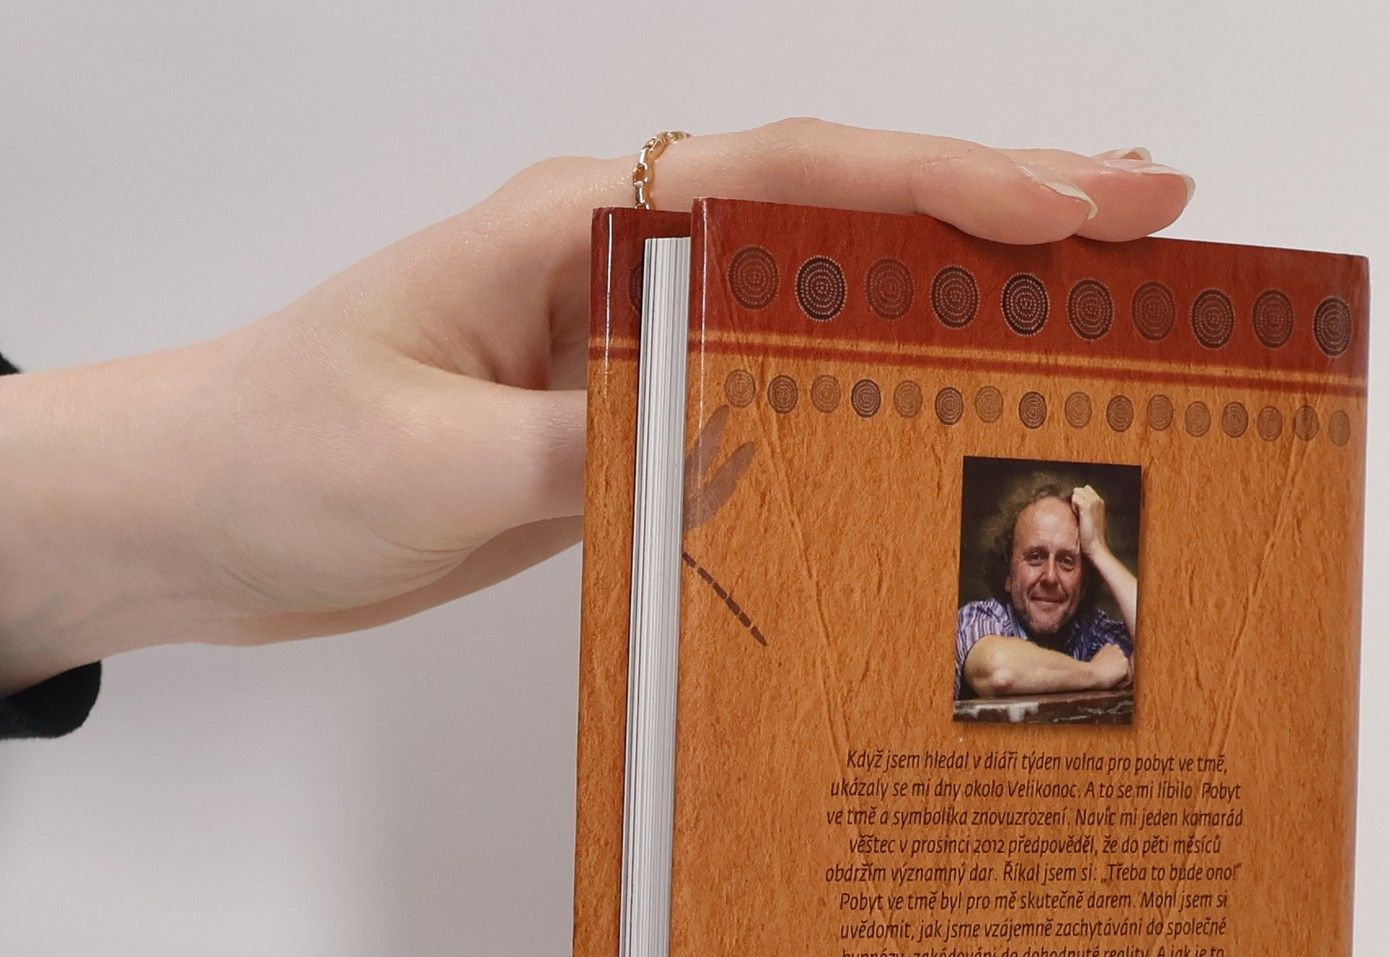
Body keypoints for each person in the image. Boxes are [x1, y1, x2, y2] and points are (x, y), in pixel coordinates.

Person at [0, 119, 1193, 741]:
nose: (1053, 573)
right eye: (1043, 554)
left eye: (1065, 557)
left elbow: (1163, 666)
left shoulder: (1098, 615)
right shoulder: (986, 626)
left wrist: (1105, 562)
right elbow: (994, 671)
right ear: (1005, 563)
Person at [954, 474, 1138, 701]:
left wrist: (1098, 549)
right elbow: (999, 670)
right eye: (1035, 557)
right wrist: (1095, 673)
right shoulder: (978, 618)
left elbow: (1163, 648)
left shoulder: (1094, 631)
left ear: (1084, 584)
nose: (1050, 577)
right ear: (1008, 575)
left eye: (1066, 561)